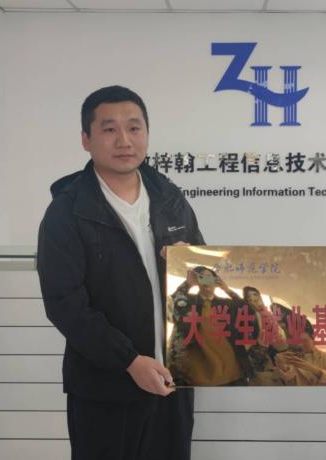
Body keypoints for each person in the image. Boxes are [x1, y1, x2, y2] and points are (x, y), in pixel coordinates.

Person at [36, 85, 203, 460]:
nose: (124, 140)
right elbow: (64, 303)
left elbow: (203, 276)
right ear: (86, 139)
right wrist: (128, 360)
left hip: (173, 381)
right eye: (109, 129)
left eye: (134, 127)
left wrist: (190, 267)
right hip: (105, 388)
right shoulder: (67, 211)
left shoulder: (171, 200)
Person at [168, 267, 254, 386]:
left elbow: (248, 311)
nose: (206, 281)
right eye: (202, 277)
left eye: (209, 277)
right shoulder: (189, 301)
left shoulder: (227, 303)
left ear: (215, 281)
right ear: (197, 281)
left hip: (230, 367)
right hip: (196, 367)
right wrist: (187, 284)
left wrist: (226, 289)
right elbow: (172, 306)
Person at [272, 319, 326, 386]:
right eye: (289, 338)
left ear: (312, 337)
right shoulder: (283, 359)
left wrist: (313, 370)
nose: (296, 344)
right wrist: (283, 369)